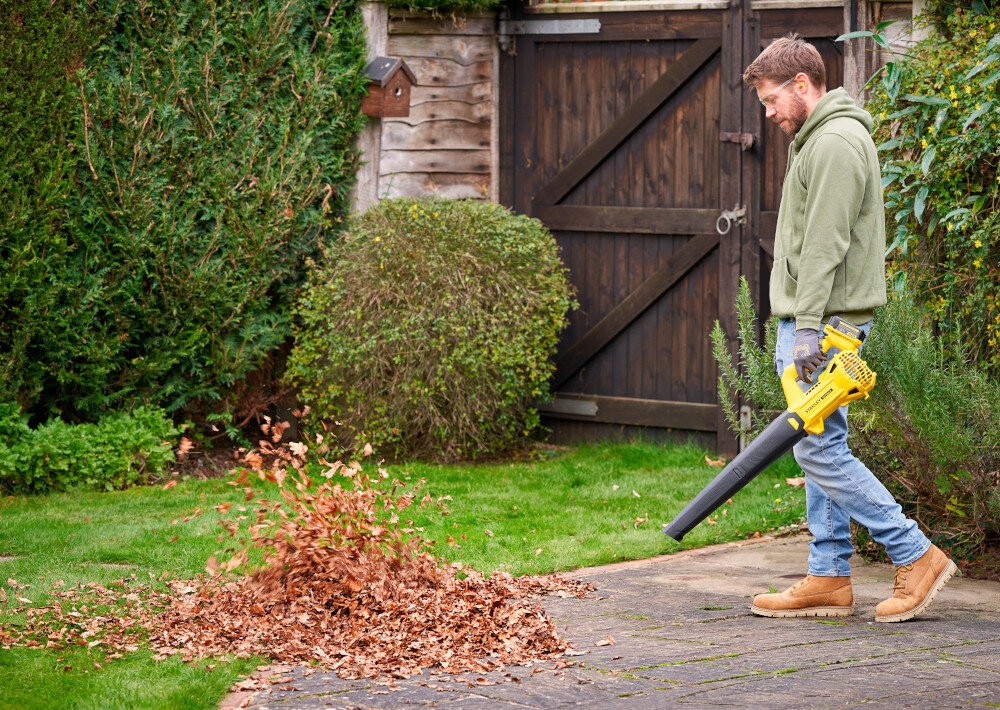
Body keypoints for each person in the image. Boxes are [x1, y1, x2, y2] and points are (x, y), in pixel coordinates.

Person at [741, 35, 956, 622]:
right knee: (820, 445)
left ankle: (915, 552)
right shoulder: (818, 138)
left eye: (770, 100)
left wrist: (807, 325)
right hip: (818, 318)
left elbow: (825, 244)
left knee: (816, 449)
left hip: (825, 324)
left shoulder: (833, 141)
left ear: (802, 85)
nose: (768, 113)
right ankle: (829, 574)